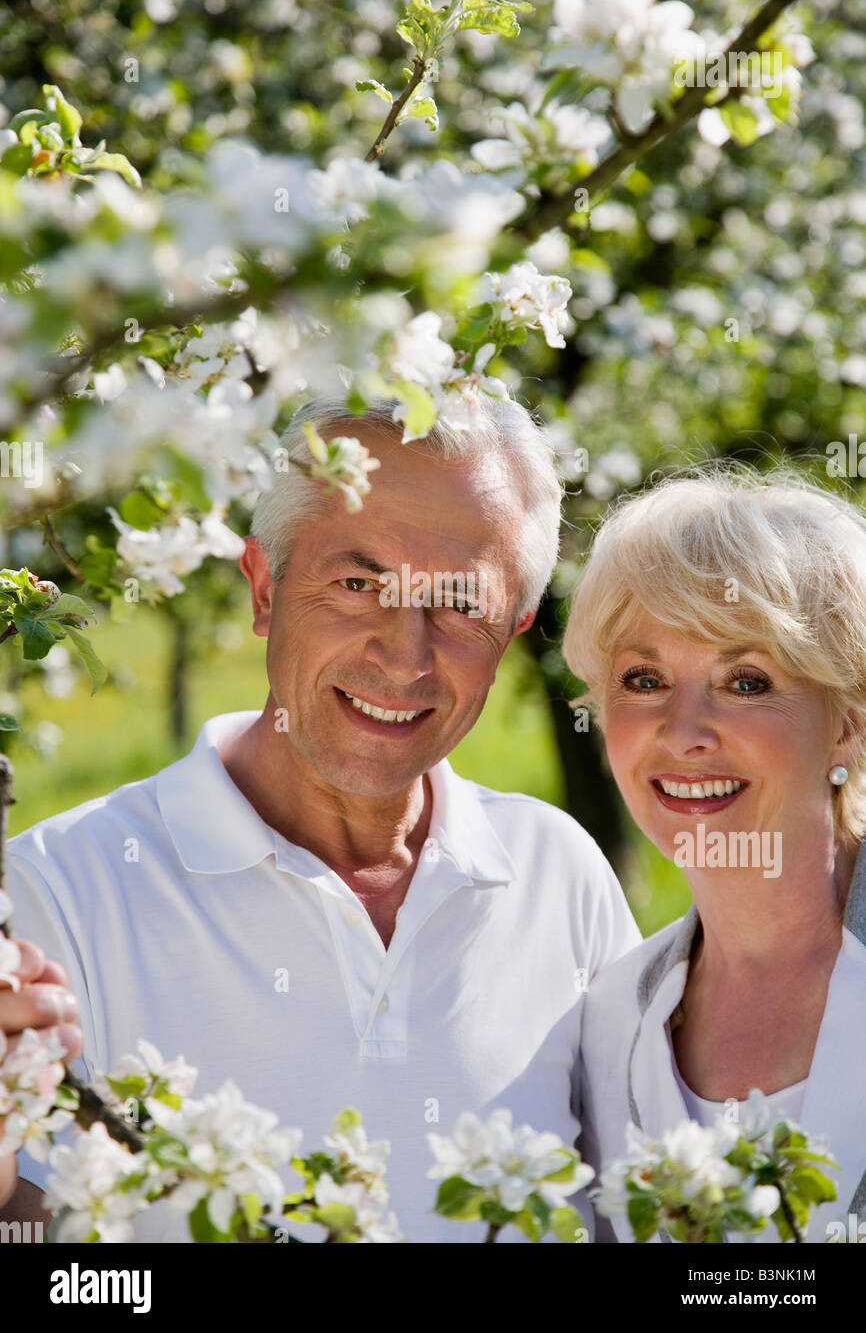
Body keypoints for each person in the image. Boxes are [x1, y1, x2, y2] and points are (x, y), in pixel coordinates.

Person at [0, 395, 640, 1242]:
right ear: (264, 588)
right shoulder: (59, 892)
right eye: (356, 582)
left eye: (458, 603)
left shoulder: (559, 873)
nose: (402, 654)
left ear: (516, 627)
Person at [564, 464, 866, 1243]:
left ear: (848, 724)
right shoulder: (608, 1022)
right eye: (643, 678)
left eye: (746, 680)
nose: (683, 730)